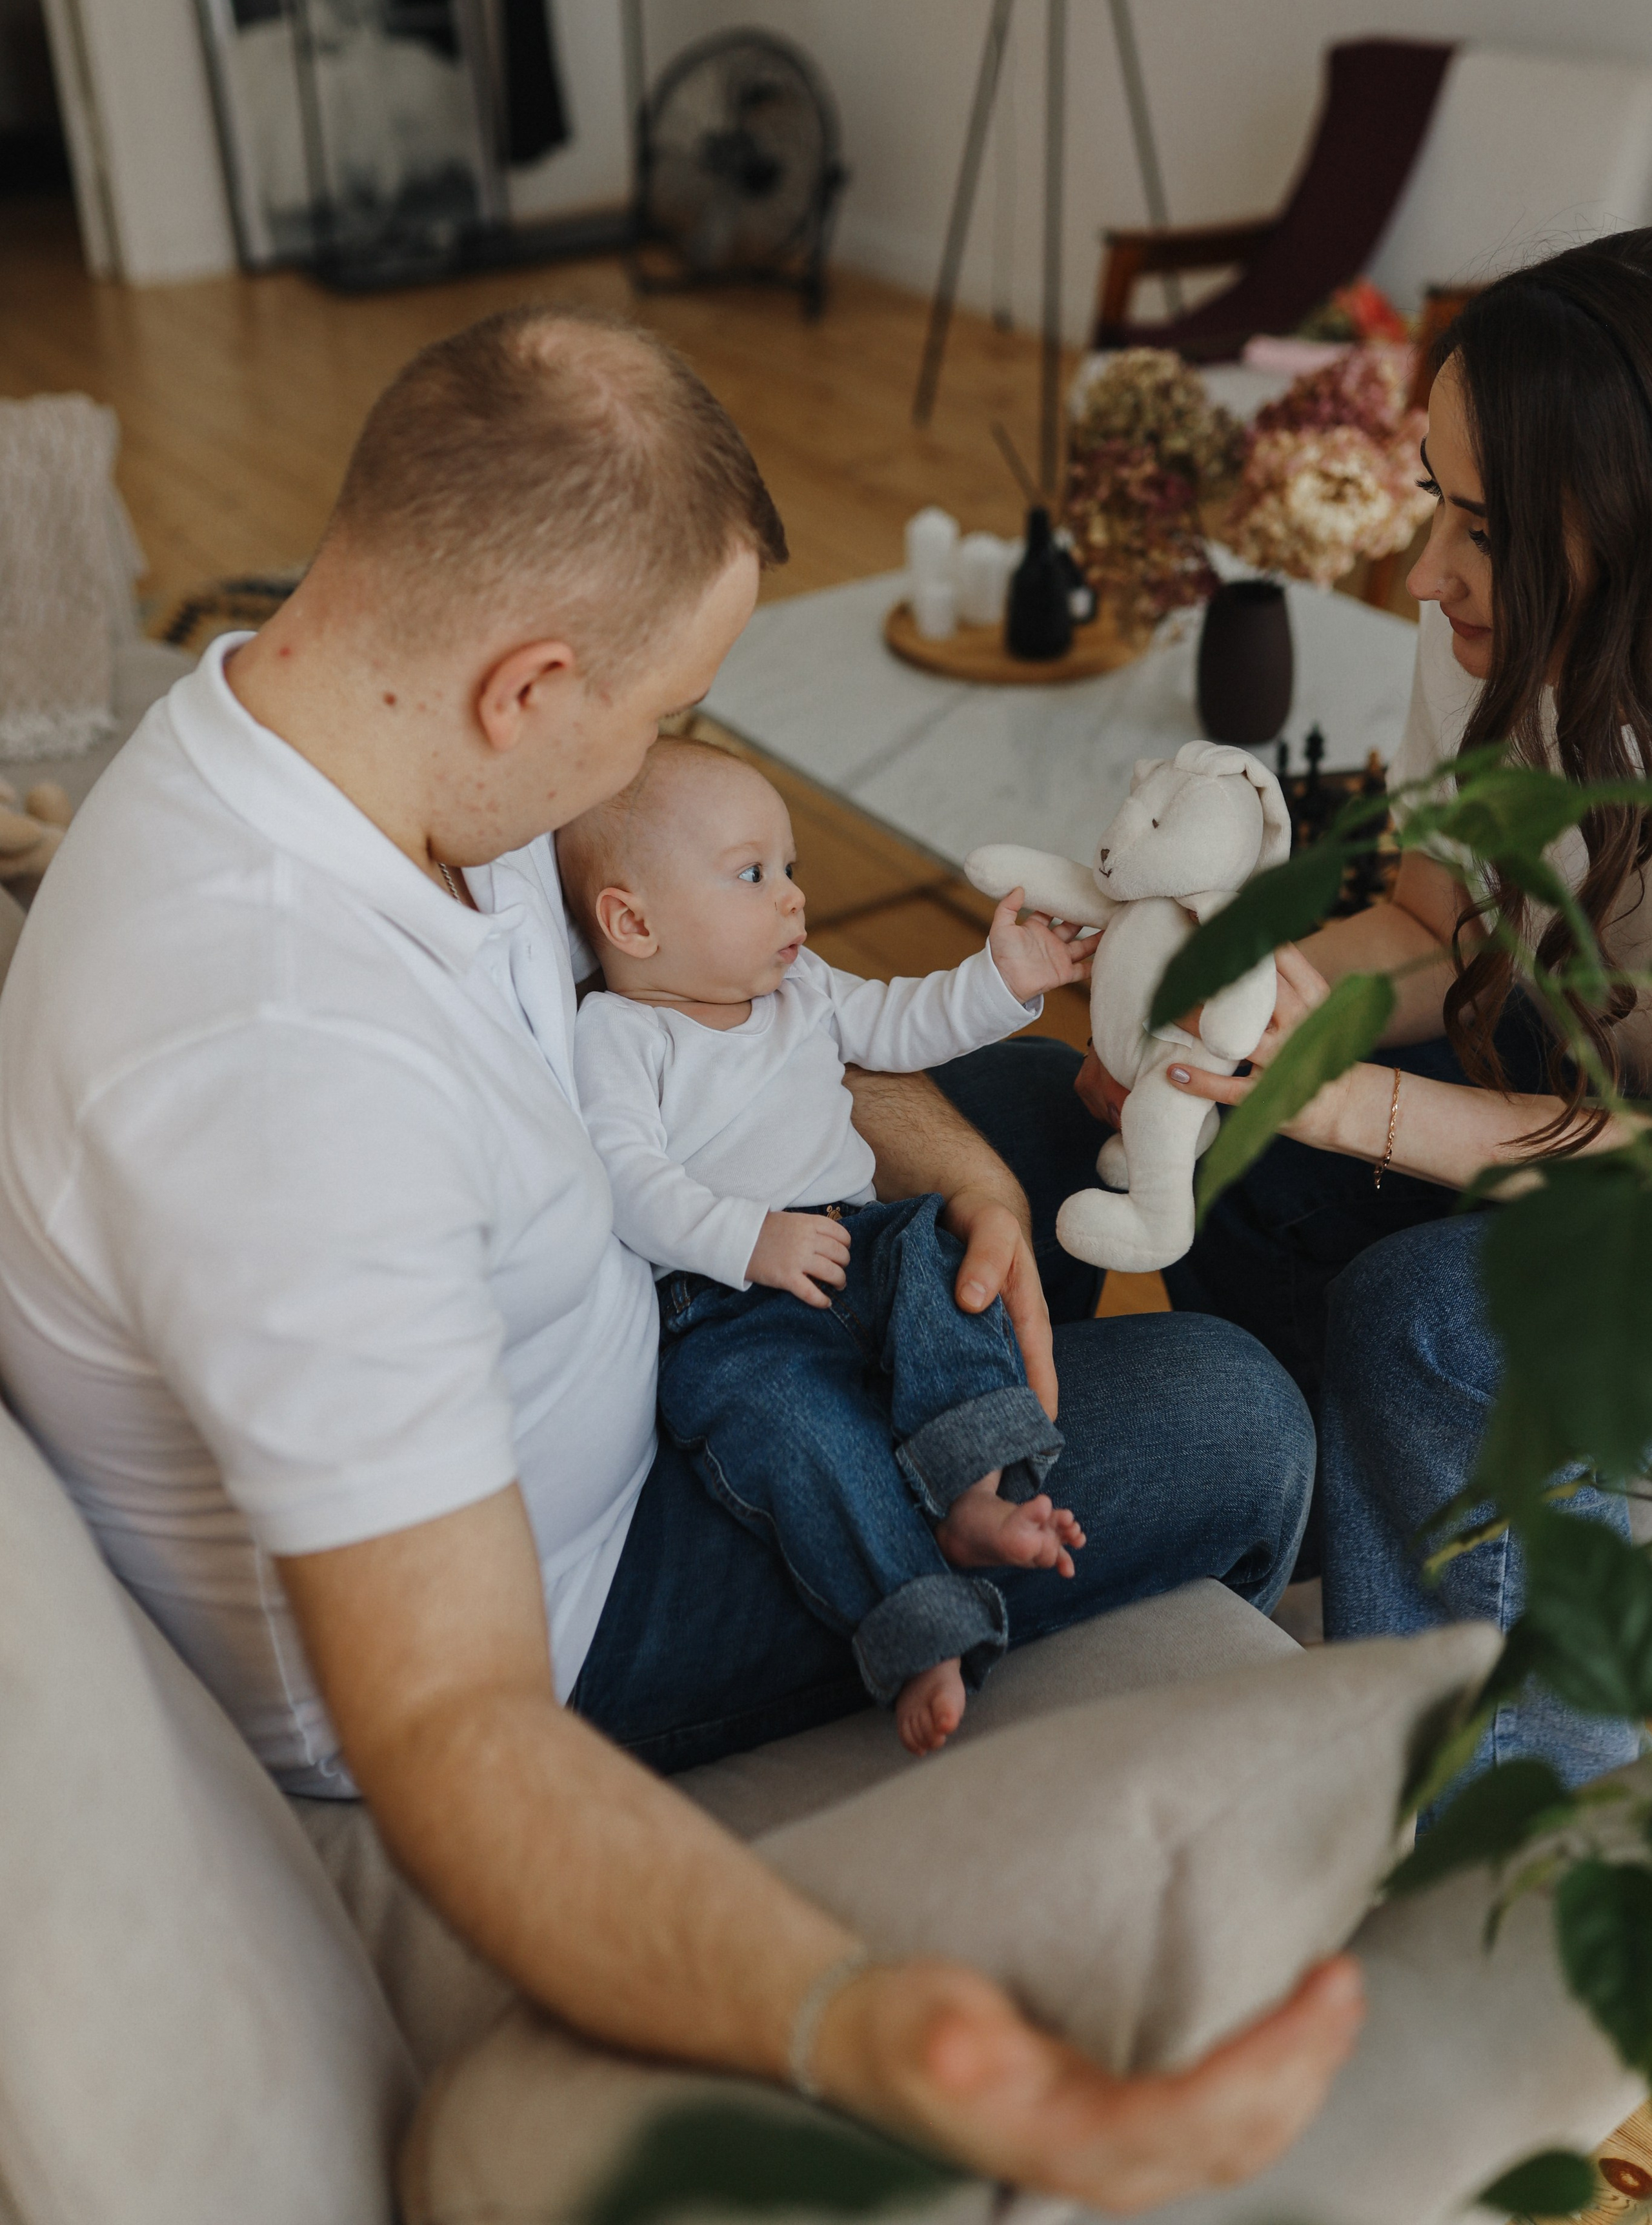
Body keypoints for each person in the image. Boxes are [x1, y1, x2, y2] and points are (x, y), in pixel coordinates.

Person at [0, 306, 1360, 2206]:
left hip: (611, 1320)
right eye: (650, 720)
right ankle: (1030, 1661)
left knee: (1038, 1121)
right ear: (529, 684)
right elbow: (455, 1727)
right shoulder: (273, 1077)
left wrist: (958, 1158)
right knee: (1231, 1413)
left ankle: (1004, 1342)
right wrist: (869, 2022)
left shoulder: (341, 746)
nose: (650, 763)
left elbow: (703, 1027)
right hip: (584, 1591)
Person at [1087, 230, 1652, 1789]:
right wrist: (1229, 1011)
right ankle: (1360, 1559)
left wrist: (1360, 1104)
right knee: (1229, 1155)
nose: (1421, 574)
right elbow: (1437, 913)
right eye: (1433, 498)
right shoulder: (1486, 621)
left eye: (1484, 525)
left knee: (1438, 1318)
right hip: (1588, 1070)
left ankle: (1520, 1775)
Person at [561, 735, 1091, 1757]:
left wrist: (1003, 978)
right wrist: (746, 1237)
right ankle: (919, 1626)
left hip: (864, 1240)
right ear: (633, 920)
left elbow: (901, 1022)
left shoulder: (800, 989)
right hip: (726, 1305)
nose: (794, 899)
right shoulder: (621, 1038)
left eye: (791, 869)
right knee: (798, 1435)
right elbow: (627, 1180)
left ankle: (978, 1479)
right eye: (753, 875)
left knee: (944, 1269)